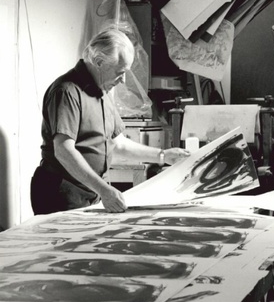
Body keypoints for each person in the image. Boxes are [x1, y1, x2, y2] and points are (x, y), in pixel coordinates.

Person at [31, 28, 189, 214]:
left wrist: (163, 156)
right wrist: (104, 190)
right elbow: (64, 150)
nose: (122, 80)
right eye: (119, 72)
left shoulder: (103, 92)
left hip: (90, 192)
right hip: (61, 193)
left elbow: (117, 143)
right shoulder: (67, 91)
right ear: (98, 62)